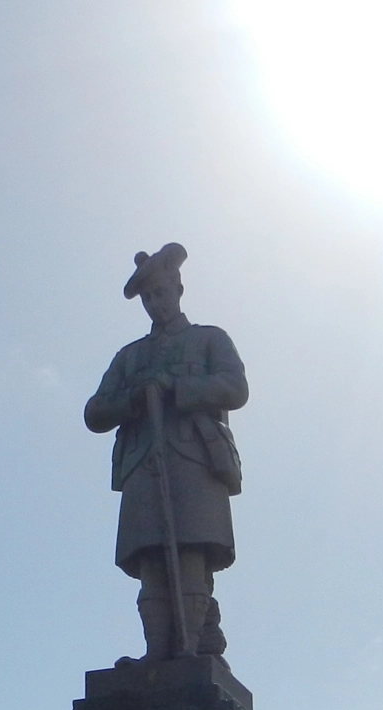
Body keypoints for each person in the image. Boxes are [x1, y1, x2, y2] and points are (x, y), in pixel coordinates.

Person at [83, 244, 248, 662]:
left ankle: (193, 646)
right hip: (144, 461)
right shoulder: (130, 357)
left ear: (178, 287)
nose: (156, 303)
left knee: (190, 556)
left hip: (196, 459)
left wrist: (177, 388)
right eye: (148, 297)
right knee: (152, 562)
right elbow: (95, 411)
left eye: (161, 292)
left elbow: (235, 388)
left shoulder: (209, 340)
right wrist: (134, 400)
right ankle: (157, 653)